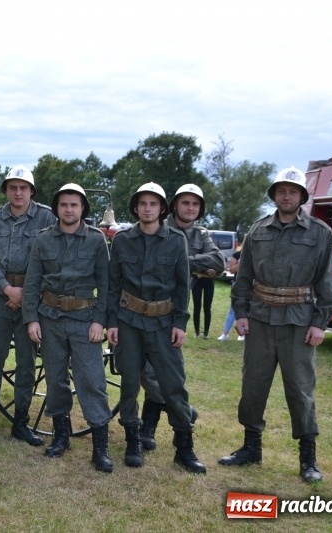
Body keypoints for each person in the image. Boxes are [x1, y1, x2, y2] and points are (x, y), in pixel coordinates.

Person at [218, 167, 332, 483]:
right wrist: (240, 313)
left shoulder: (320, 233)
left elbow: (327, 281)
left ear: (301, 197)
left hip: (299, 324)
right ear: (274, 195)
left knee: (300, 390)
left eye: (293, 192)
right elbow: (243, 279)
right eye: (282, 191)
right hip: (259, 321)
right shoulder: (257, 231)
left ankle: (308, 458)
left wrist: (320, 323)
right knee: (253, 387)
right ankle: (250, 448)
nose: (287, 196)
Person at [106, 182, 206, 474]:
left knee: (173, 384)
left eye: (153, 204)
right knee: (128, 385)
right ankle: (132, 440)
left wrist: (180, 324)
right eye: (142, 204)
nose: (147, 209)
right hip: (129, 322)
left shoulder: (176, 240)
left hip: (163, 323)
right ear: (135, 208)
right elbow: (114, 284)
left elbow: (181, 286)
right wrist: (112, 322)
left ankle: (184, 448)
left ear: (162, 208)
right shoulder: (122, 240)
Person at [23, 184, 112, 472]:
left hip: (85, 320)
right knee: (56, 379)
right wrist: (32, 319)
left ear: (83, 208)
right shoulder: (43, 240)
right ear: (57, 208)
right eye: (64, 205)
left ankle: (100, 447)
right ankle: (61, 437)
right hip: (50, 319)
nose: (69, 209)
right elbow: (32, 282)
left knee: (92, 380)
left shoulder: (96, 240)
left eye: (74, 205)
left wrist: (100, 320)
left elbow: (106, 285)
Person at [0, 165, 56, 445]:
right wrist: (6, 289)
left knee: (27, 363)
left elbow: (50, 258)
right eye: (13, 187)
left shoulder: (46, 217)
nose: (18, 192)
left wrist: (24, 294)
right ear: (6, 190)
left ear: (31, 191)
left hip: (32, 298)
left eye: (23, 187)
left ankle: (21, 422)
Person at [138, 184, 224, 452]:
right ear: (173, 205)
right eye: (185, 203)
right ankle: (183, 412)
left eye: (195, 204)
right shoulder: (155, 226)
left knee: (165, 372)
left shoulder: (200, 235)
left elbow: (218, 262)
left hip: (173, 312)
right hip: (142, 308)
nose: (190, 208)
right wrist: (200, 267)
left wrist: (182, 260)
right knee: (146, 373)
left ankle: (147, 430)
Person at [217, 250, 244, 341]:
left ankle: (242, 334)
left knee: (247, 309)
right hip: (237, 285)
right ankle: (225, 334)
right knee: (233, 309)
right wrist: (240, 263)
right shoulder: (237, 255)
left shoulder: (255, 253)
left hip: (250, 285)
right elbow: (231, 270)